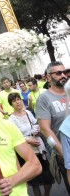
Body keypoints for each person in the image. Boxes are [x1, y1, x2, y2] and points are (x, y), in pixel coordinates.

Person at [8, 93, 54, 196]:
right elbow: (13, 138)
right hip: (26, 153)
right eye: (14, 101)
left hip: (38, 149)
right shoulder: (11, 120)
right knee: (35, 182)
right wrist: (28, 140)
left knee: (48, 179)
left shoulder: (28, 112)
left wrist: (37, 132)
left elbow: (35, 124)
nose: (17, 102)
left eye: (18, 99)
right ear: (11, 104)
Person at [36, 61, 70, 193]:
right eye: (58, 73)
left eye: (64, 72)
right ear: (48, 77)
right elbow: (45, 129)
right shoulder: (44, 99)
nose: (63, 75)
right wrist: (64, 153)